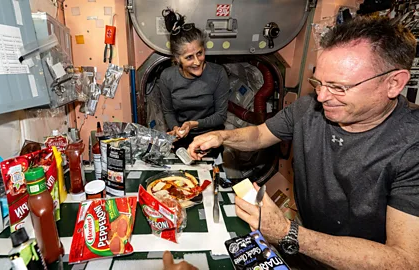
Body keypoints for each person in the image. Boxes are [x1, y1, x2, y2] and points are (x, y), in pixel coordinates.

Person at [185, 16, 419, 269]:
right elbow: (261, 135)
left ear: (394, 83)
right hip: (308, 250)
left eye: (338, 87)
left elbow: (405, 261)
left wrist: (288, 233)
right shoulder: (310, 107)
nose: (322, 96)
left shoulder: (412, 146)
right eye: (317, 82)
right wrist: (222, 136)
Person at [158, 9, 229, 155]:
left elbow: (221, 115)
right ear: (177, 59)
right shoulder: (167, 77)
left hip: (212, 137)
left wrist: (193, 124)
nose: (197, 62)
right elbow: (168, 111)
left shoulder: (218, 73)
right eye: (189, 57)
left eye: (200, 53)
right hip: (182, 138)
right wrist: (176, 128)